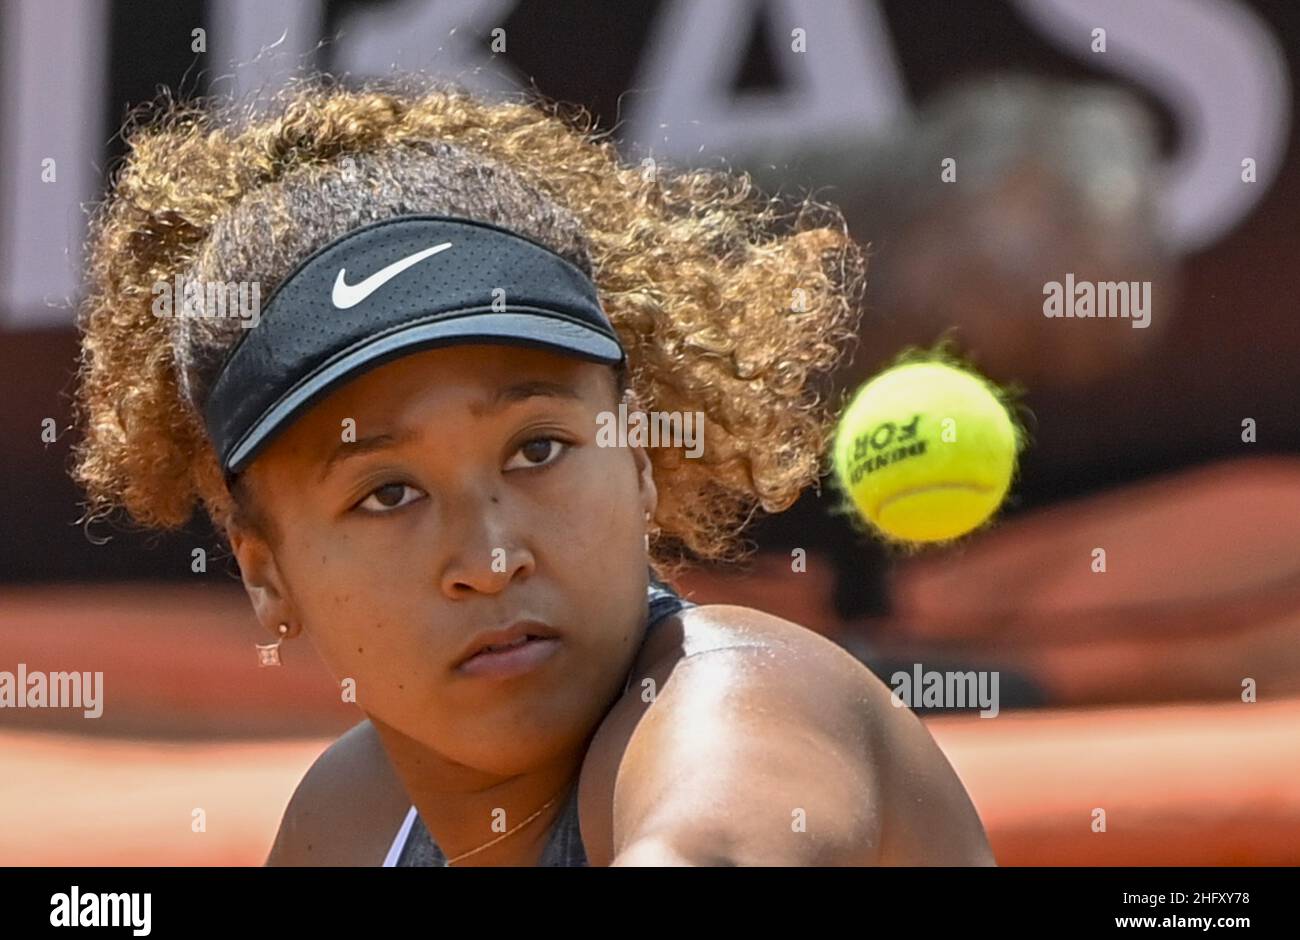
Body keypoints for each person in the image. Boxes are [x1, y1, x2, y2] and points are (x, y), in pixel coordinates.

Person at [69, 75, 994, 866]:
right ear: (265, 572)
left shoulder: (746, 698)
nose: (492, 555)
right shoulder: (349, 819)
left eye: (538, 450)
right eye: (388, 493)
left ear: (636, 455)